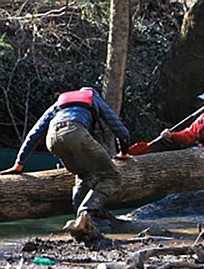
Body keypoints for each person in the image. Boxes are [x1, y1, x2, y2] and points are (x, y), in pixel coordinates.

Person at [0, 87, 131, 241]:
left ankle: (81, 223)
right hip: (76, 132)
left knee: (83, 175)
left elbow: (34, 133)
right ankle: (87, 211)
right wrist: (124, 152)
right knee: (112, 176)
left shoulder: (59, 104)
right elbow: (119, 128)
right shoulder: (93, 97)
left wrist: (19, 163)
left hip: (52, 139)